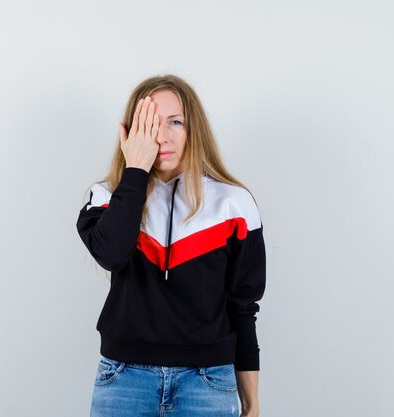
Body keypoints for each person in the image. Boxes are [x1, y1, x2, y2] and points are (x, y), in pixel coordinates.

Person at [76, 74, 266, 417]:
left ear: (195, 128)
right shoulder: (106, 197)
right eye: (148, 124)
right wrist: (135, 169)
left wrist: (251, 402)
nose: (161, 137)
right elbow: (112, 254)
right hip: (123, 380)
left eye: (175, 122)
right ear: (131, 134)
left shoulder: (234, 204)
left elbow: (243, 307)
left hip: (207, 383)